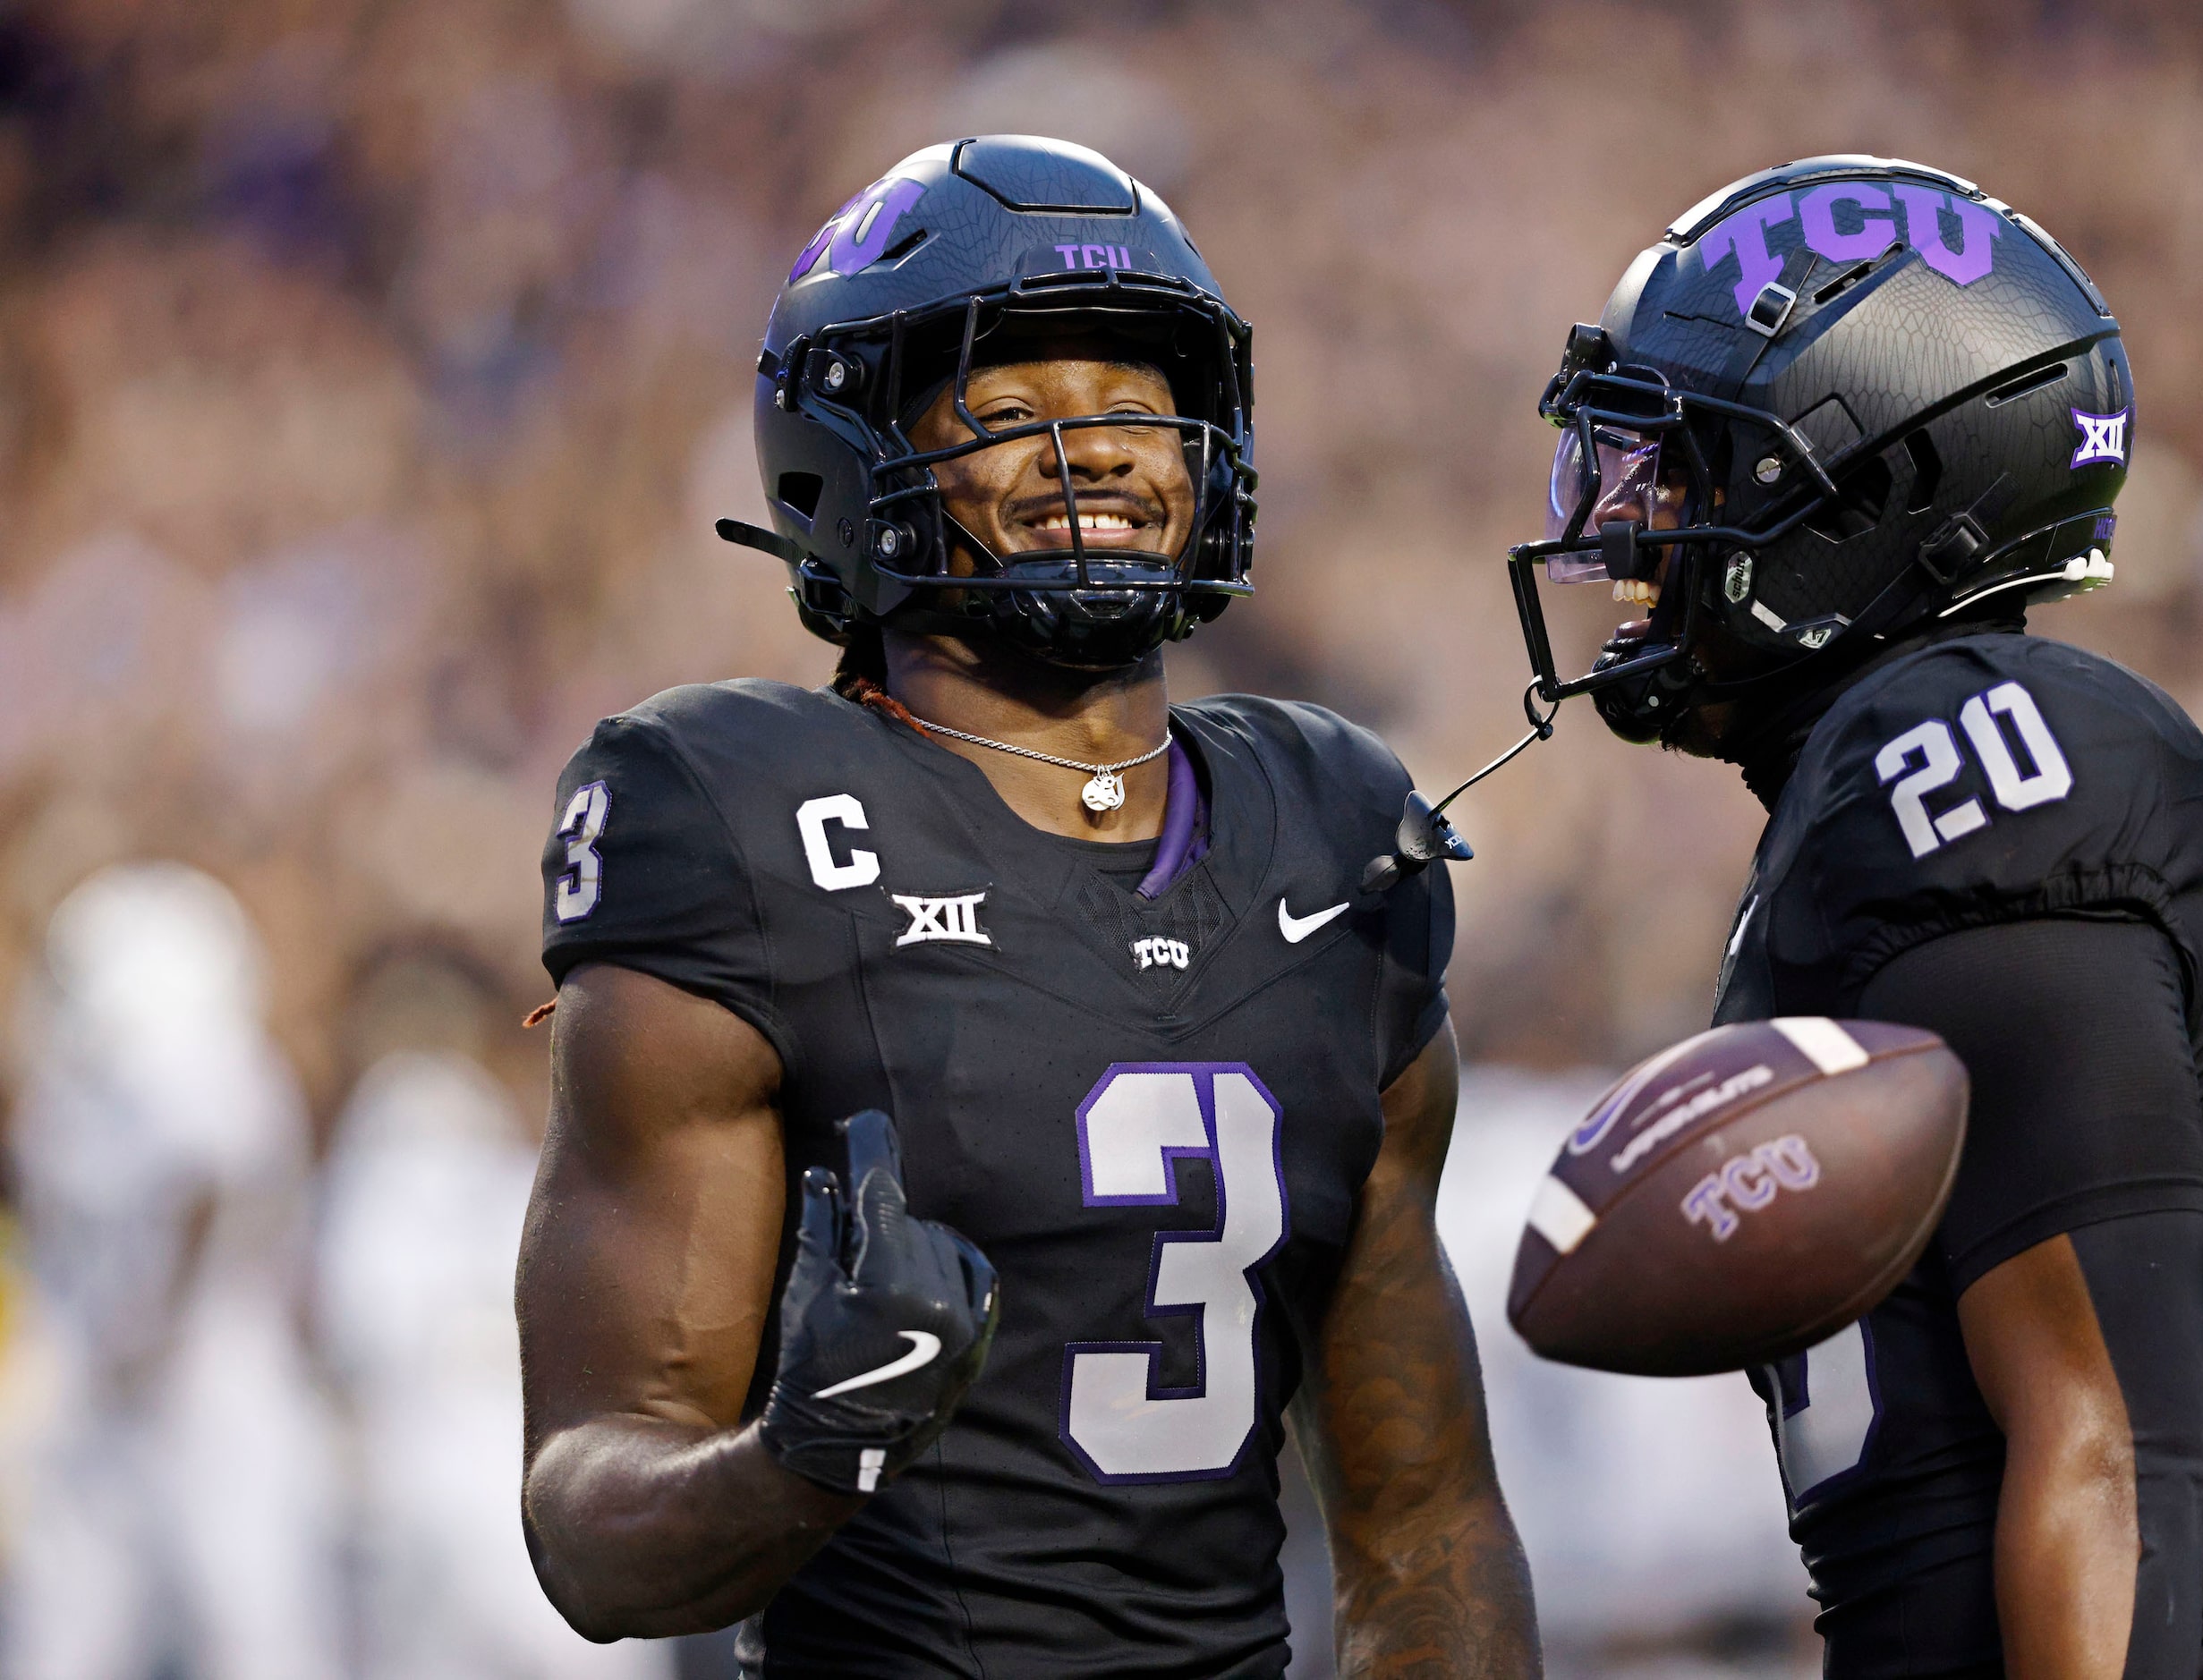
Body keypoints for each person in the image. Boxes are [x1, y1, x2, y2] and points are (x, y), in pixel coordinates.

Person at [516, 134, 1537, 1679]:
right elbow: (590, 1526)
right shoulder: (740, 812)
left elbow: (1426, 1523)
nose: (1103, 450)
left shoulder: (1329, 827)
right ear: (846, 460)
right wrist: (810, 1446)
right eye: (1010, 412)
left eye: (1138, 403)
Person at [1508, 156, 2203, 1680]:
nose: (1630, 529)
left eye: (1694, 466)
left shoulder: (1972, 745)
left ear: (1875, 482)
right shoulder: (1892, 771)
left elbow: (2104, 1449)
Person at [4, 862, 343, 1680]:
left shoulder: (206, 1069)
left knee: (255, 1637)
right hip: (109, 1416)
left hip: (216, 1411)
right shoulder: (70, 1094)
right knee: (68, 1638)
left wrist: (157, 1315)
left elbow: (207, 1169)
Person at [320, 948, 668, 1680]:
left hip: (428, 1504)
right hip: (571, 1505)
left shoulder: (378, 1157)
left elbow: (352, 1335)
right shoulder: (547, 1170)